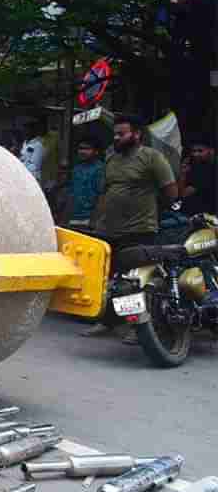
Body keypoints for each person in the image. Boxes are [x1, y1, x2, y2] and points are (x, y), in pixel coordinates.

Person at [82, 115, 179, 341]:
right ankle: (108, 322)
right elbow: (105, 191)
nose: (116, 138)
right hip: (107, 229)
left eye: (121, 133)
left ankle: (140, 328)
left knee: (135, 280)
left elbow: (171, 191)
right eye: (115, 134)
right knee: (109, 280)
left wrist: (152, 210)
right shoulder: (111, 159)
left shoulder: (152, 158)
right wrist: (96, 220)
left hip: (139, 229)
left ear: (136, 134)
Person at [65, 138, 105, 227]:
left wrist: (94, 220)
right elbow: (71, 193)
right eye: (81, 148)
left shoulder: (100, 169)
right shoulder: (76, 169)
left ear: (96, 151)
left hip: (89, 219)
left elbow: (102, 196)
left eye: (87, 149)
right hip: (73, 218)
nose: (82, 151)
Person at [181, 140, 215, 217]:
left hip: (204, 214)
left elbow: (183, 194)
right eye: (193, 151)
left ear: (211, 151)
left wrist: (183, 174)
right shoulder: (195, 166)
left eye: (200, 151)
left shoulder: (208, 170)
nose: (195, 154)